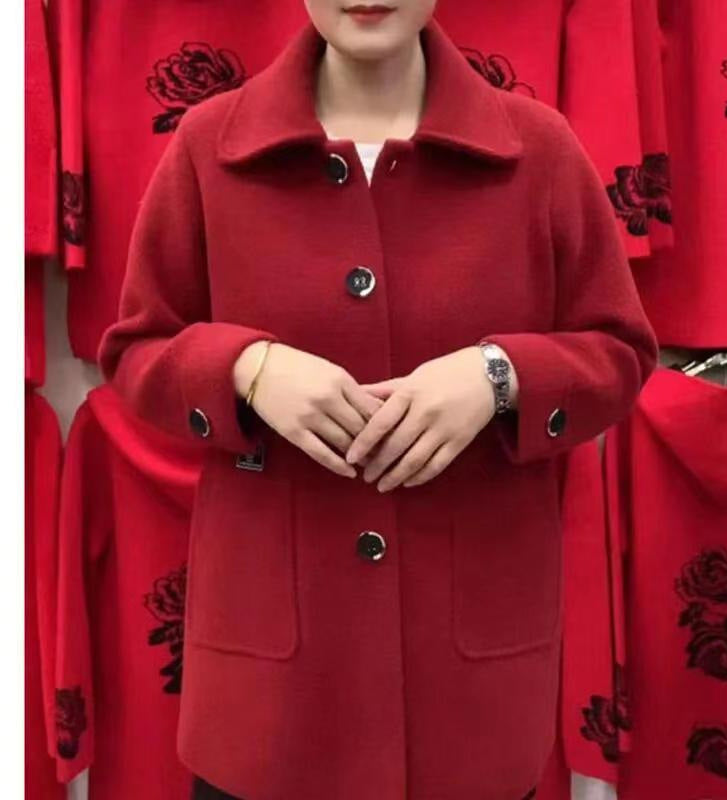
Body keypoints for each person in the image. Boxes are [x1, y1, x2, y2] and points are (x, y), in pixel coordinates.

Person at [96, 2, 659, 798]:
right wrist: (248, 368)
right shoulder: (211, 145)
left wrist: (499, 377)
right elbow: (137, 348)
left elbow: (620, 349)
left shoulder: (537, 150)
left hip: (468, 701)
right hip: (270, 700)